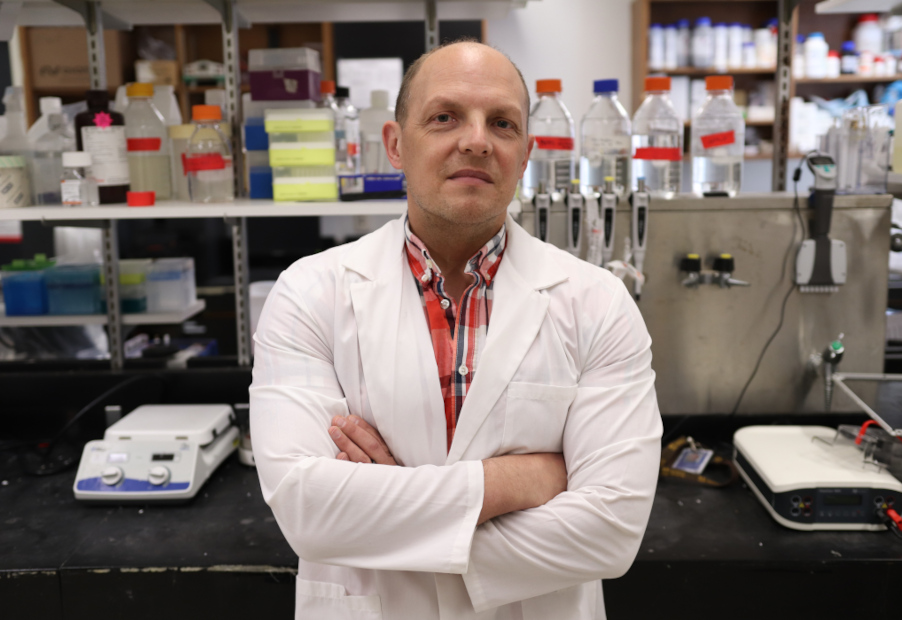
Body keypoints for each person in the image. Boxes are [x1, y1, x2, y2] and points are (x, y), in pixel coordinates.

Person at [250, 40, 662, 620]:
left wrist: (389, 518)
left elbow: (609, 531)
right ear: (396, 144)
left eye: (502, 123)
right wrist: (518, 480)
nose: (476, 140)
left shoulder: (597, 302)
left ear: (524, 153)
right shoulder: (310, 292)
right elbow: (307, 510)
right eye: (445, 117)